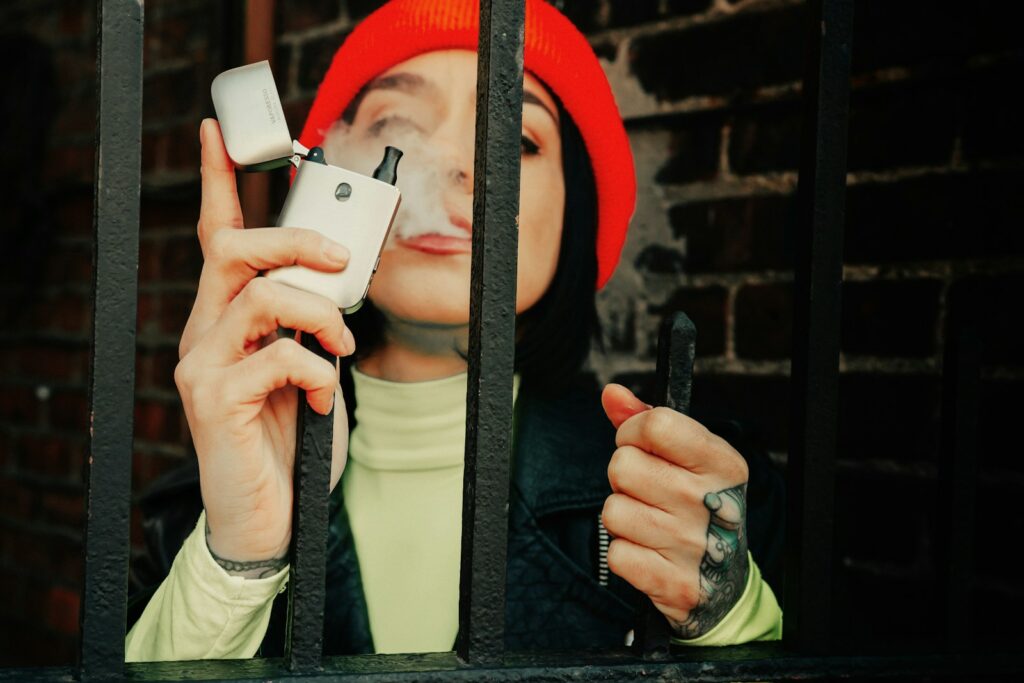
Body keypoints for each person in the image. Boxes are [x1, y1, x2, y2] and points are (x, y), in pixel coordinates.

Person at [125, 0, 783, 661]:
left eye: (518, 140)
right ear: (327, 182)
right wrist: (236, 559)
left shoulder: (692, 494)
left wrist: (730, 612)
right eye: (396, 127)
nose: (451, 165)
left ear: (573, 211)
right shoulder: (200, 503)